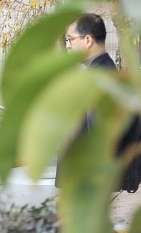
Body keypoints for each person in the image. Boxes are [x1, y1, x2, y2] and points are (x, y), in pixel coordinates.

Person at [55, 13, 117, 188]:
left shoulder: (100, 77)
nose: (68, 46)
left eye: (70, 40)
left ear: (88, 40)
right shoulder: (98, 72)